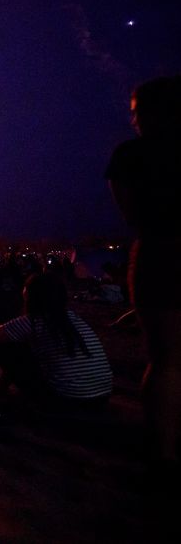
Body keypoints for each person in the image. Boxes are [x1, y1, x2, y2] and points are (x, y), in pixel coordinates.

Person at [106, 75, 181, 472]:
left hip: (162, 253)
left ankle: (163, 450)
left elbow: (132, 214)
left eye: (137, 112)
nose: (133, 120)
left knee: (166, 358)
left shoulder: (132, 155)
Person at [0, 272, 112, 408]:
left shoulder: (34, 320)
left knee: (3, 347)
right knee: (19, 345)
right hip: (101, 398)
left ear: (31, 294)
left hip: (67, 399)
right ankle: (0, 387)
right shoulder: (71, 318)